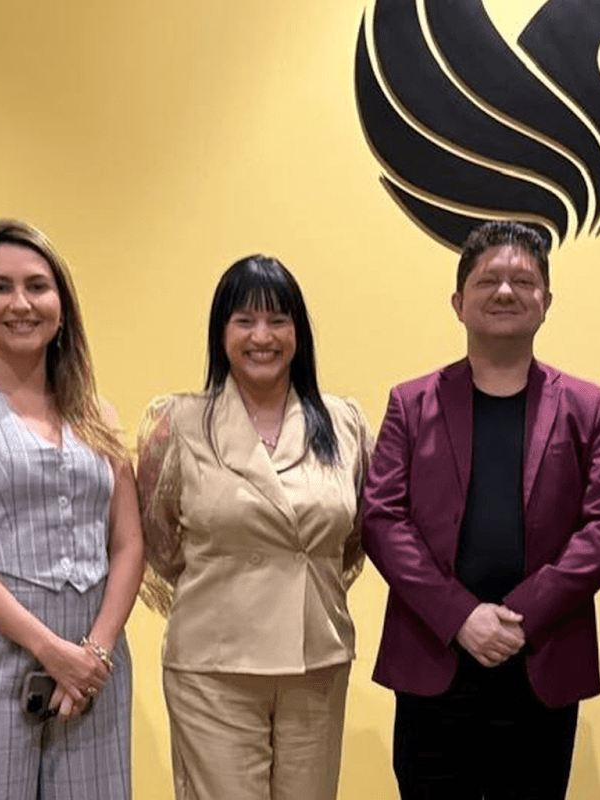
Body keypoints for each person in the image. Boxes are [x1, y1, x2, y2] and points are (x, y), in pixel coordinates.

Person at [362, 221, 600, 800]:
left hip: (541, 661)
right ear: (459, 302)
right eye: (489, 280)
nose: (506, 292)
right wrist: (462, 616)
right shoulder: (411, 404)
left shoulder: (587, 407)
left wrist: (518, 617)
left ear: (546, 302)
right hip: (435, 662)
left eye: (523, 280)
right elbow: (382, 519)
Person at [0, 219, 143, 799]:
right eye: (0, 287)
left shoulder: (96, 413)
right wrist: (50, 651)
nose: (21, 303)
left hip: (92, 673)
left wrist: (95, 653)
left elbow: (129, 544)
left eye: (37, 286)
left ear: (62, 303)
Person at [136, 255, 372, 800]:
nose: (261, 336)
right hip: (213, 661)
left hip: (318, 658)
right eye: (244, 320)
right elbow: (160, 540)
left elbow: (354, 535)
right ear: (221, 333)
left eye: (278, 320)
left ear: (299, 332)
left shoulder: (343, 421)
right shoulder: (178, 422)